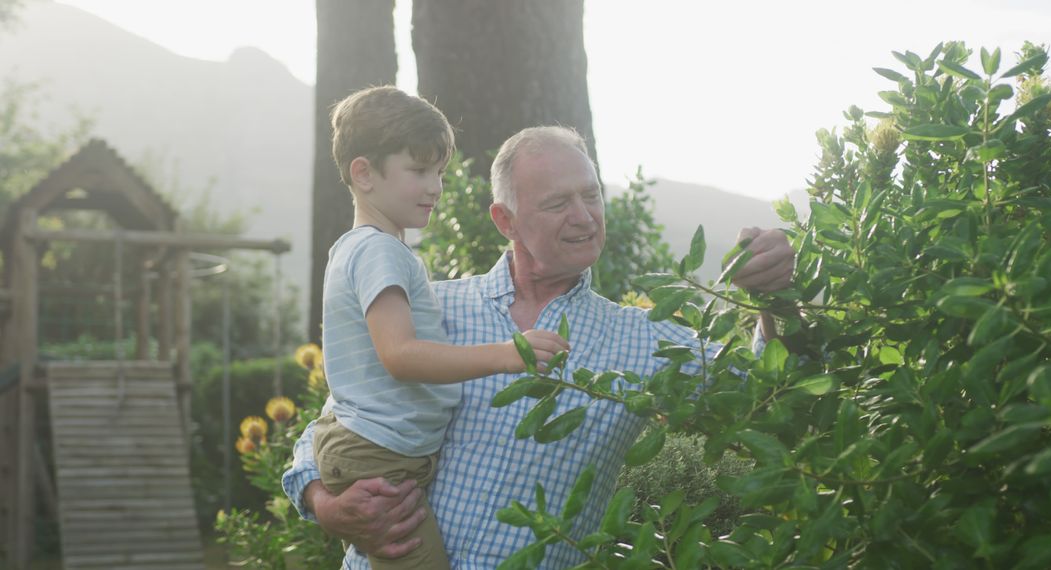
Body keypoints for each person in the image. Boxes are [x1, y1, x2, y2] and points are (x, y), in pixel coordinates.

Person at [283, 125, 795, 569]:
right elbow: (335, 423)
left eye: (591, 196)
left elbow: (768, 390)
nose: (584, 217)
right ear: (505, 221)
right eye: (557, 203)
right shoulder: (427, 311)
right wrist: (325, 502)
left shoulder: (647, 340)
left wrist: (777, 301)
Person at [313, 87, 570, 570]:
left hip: (379, 448)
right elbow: (401, 355)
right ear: (363, 173)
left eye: (439, 173)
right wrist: (508, 353)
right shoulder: (379, 251)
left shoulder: (364, 249)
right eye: (418, 171)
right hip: (380, 456)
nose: (435, 187)